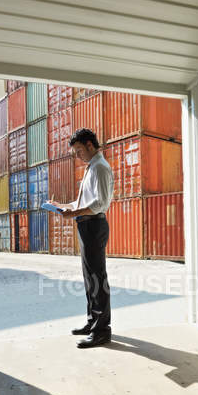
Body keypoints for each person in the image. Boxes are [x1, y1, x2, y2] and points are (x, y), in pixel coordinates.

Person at [48, 128, 114, 348]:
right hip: (86, 226)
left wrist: (73, 213)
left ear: (89, 145)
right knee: (89, 278)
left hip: (94, 226)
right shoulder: (91, 168)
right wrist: (63, 207)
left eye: (78, 151)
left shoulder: (100, 168)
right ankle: (92, 322)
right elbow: (83, 202)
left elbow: (100, 204)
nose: (77, 156)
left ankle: (102, 331)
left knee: (97, 279)